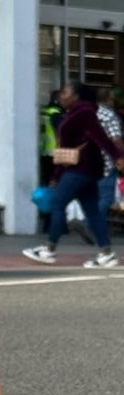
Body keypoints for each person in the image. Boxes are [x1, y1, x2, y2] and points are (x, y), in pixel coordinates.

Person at [22, 82, 124, 268]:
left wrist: (118, 156)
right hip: (83, 169)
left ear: (76, 96)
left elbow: (99, 136)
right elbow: (69, 148)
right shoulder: (76, 112)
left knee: (57, 203)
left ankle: (49, 249)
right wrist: (57, 173)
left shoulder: (84, 113)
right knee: (93, 212)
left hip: (80, 170)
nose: (61, 95)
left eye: (65, 92)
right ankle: (106, 253)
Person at [96, 87, 123, 223]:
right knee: (107, 198)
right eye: (112, 98)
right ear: (108, 99)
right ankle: (89, 222)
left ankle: (97, 228)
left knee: (93, 196)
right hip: (106, 161)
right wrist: (120, 157)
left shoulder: (90, 113)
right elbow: (116, 140)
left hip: (88, 160)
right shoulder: (109, 116)